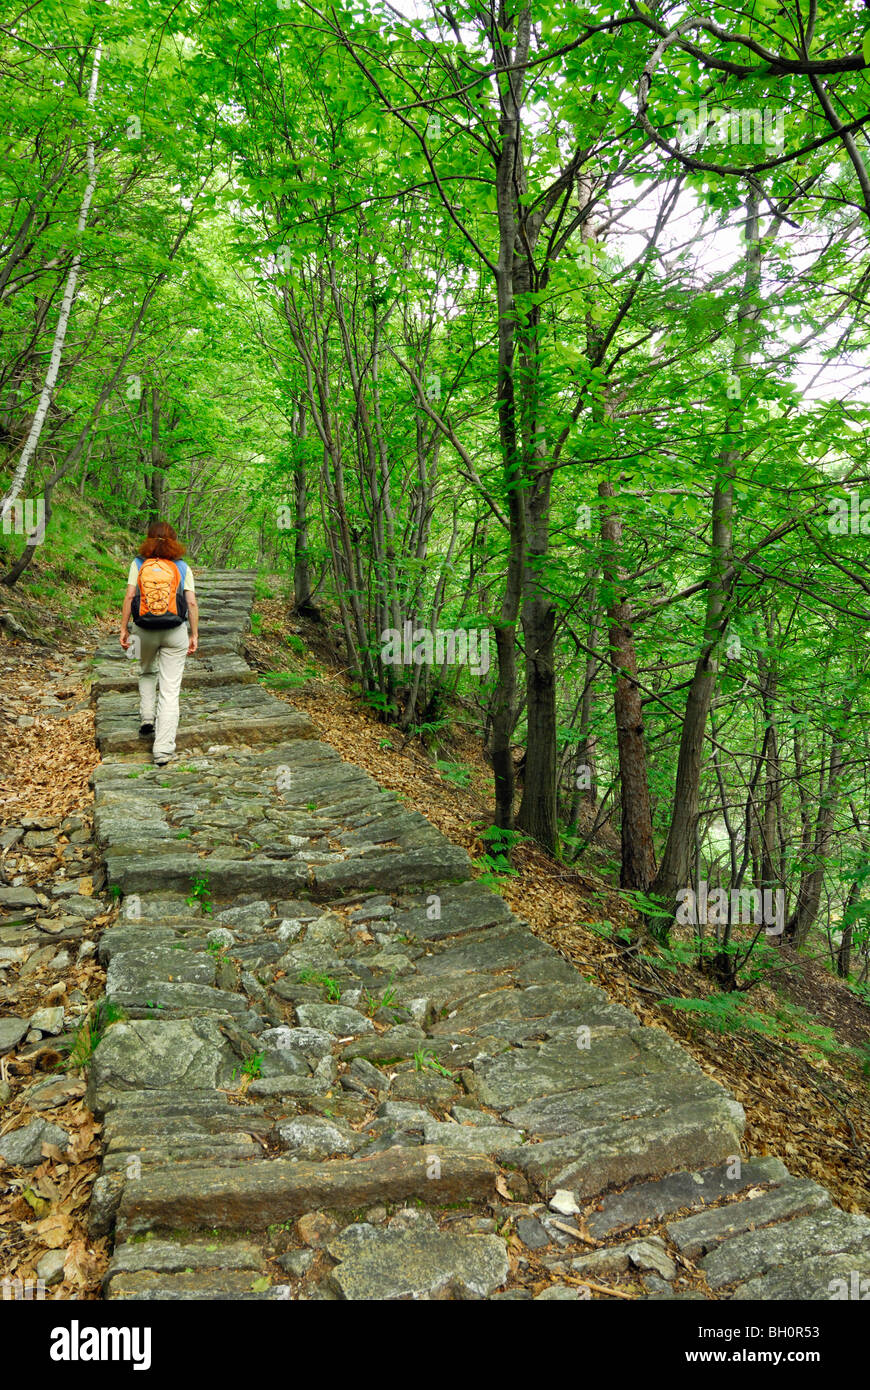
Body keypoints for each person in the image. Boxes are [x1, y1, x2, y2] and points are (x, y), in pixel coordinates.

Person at [119, 521, 199, 767]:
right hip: (175, 632)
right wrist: (193, 633)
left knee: (145, 671)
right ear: (174, 541)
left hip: (142, 630)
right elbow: (192, 603)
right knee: (170, 690)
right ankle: (163, 750)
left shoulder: (138, 563)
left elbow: (130, 596)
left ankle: (146, 717)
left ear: (149, 539)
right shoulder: (183, 567)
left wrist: (123, 628)